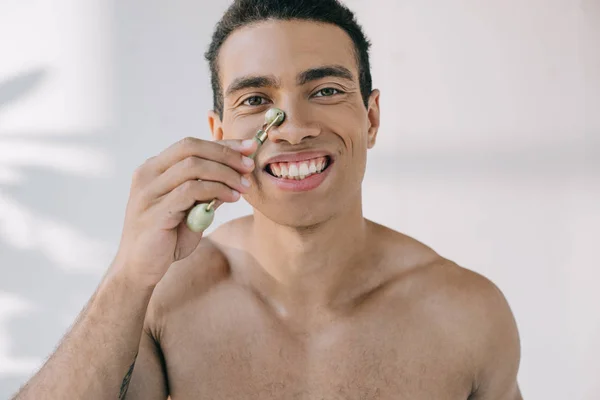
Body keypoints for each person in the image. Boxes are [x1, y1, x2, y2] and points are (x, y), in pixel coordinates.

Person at [12, 0, 523, 399]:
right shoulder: (165, 301)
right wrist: (127, 276)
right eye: (255, 100)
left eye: (324, 90)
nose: (294, 129)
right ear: (219, 132)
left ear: (371, 119)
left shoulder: (467, 315)